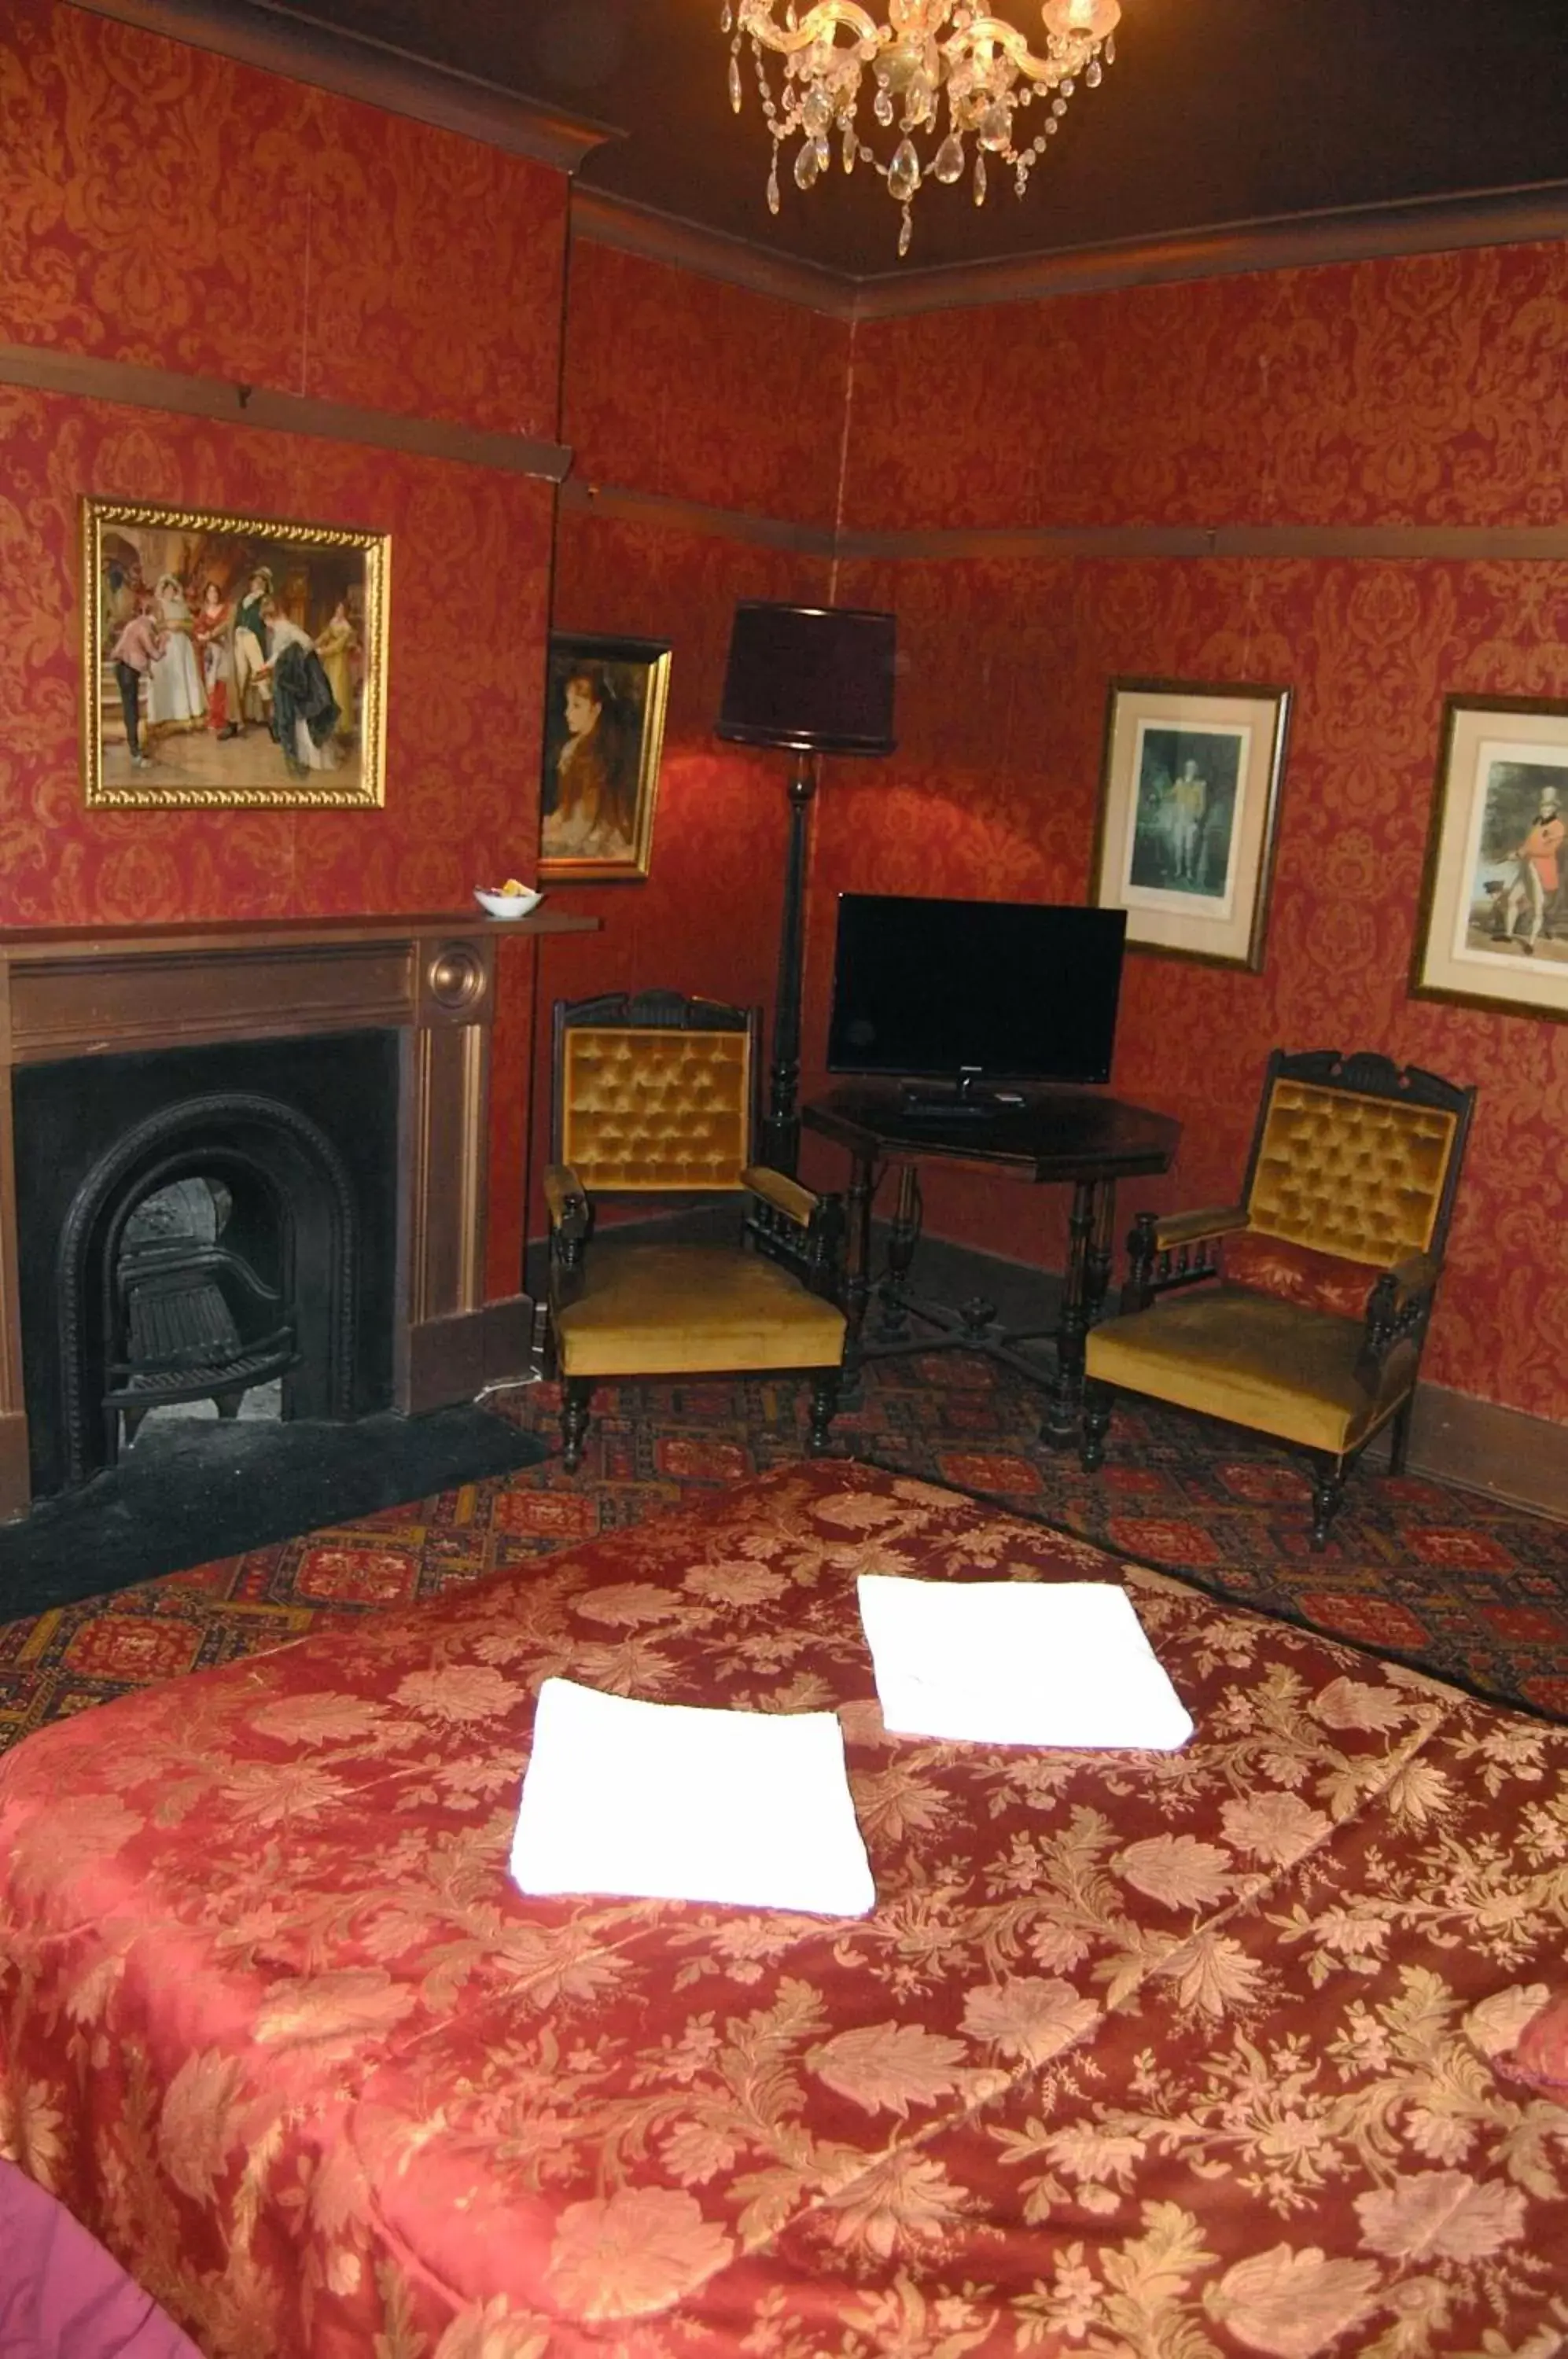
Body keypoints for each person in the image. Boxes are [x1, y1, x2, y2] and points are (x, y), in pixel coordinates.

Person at [543, 665, 635, 859]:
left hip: (597, 842)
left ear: (596, 708)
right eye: (568, 705)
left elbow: (581, 826)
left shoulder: (598, 757)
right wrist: (548, 825)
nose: (567, 713)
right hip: (576, 832)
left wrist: (549, 835)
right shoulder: (571, 749)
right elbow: (565, 809)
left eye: (576, 706)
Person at [254, 597, 340, 777]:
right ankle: (300, 759)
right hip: (291, 679)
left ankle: (302, 760)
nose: (266, 624)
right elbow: (280, 653)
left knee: (297, 718)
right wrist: (267, 667)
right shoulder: (282, 629)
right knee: (294, 718)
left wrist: (292, 662)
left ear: (271, 617)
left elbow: (307, 644)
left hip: (296, 680)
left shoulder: (285, 628)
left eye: (266, 620)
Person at [1498, 785, 1565, 952]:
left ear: (1555, 808)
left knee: (1538, 908)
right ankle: (1508, 934)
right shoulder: (1537, 823)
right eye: (1543, 806)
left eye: (1549, 806)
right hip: (1527, 867)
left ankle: (1531, 943)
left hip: (1541, 870)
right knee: (1512, 899)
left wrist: (1521, 853)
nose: (1545, 809)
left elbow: (1547, 850)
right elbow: (1529, 844)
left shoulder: (1558, 827)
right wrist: (1517, 853)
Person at [145, 571, 206, 732]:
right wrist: (168, 625)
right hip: (167, 643)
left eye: (172, 590)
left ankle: (186, 713)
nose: (170, 593)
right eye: (167, 591)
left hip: (182, 644)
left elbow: (190, 625)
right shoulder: (158, 605)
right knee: (169, 678)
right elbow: (154, 626)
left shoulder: (181, 605)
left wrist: (181, 625)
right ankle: (166, 714)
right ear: (162, 591)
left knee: (185, 676)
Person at [107, 597, 165, 766]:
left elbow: (128, 649)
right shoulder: (145, 628)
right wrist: (163, 643)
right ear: (155, 613)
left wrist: (147, 670)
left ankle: (135, 749)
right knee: (131, 710)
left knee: (130, 709)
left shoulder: (134, 624)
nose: (162, 616)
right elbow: (155, 655)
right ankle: (136, 754)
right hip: (128, 671)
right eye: (160, 612)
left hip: (122, 667)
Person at [192, 580, 239, 740]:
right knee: (210, 684)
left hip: (224, 649)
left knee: (222, 682)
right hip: (210, 651)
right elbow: (198, 627)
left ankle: (223, 718)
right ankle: (213, 717)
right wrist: (202, 636)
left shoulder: (227, 609)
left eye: (216, 592)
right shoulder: (204, 611)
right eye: (210, 592)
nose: (213, 595)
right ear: (206, 595)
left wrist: (212, 635)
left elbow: (227, 626)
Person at [231, 565, 274, 729]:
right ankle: (238, 720)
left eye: (260, 581)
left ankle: (271, 721)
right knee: (240, 677)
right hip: (239, 637)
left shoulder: (265, 600)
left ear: (264, 584)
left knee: (260, 675)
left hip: (253, 638)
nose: (256, 583)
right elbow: (237, 619)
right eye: (255, 580)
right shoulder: (245, 599)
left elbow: (268, 620)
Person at [314, 595, 358, 742]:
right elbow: (326, 635)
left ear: (346, 612)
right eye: (337, 609)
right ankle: (328, 724)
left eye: (342, 609)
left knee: (337, 690)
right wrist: (314, 644)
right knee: (328, 688)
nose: (339, 612)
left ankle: (340, 727)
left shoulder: (347, 628)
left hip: (339, 661)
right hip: (330, 662)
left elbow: (338, 646)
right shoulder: (333, 622)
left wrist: (322, 651)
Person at [1168, 756, 1209, 884]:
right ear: (1185, 769)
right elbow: (1169, 794)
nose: (1190, 770)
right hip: (1179, 820)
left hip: (1191, 821)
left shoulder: (1200, 785)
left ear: (1196, 770)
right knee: (1178, 846)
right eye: (1188, 767)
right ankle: (1178, 871)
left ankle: (1189, 873)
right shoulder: (1180, 782)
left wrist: (1197, 819)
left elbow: (1202, 805)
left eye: (1193, 768)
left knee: (1189, 848)